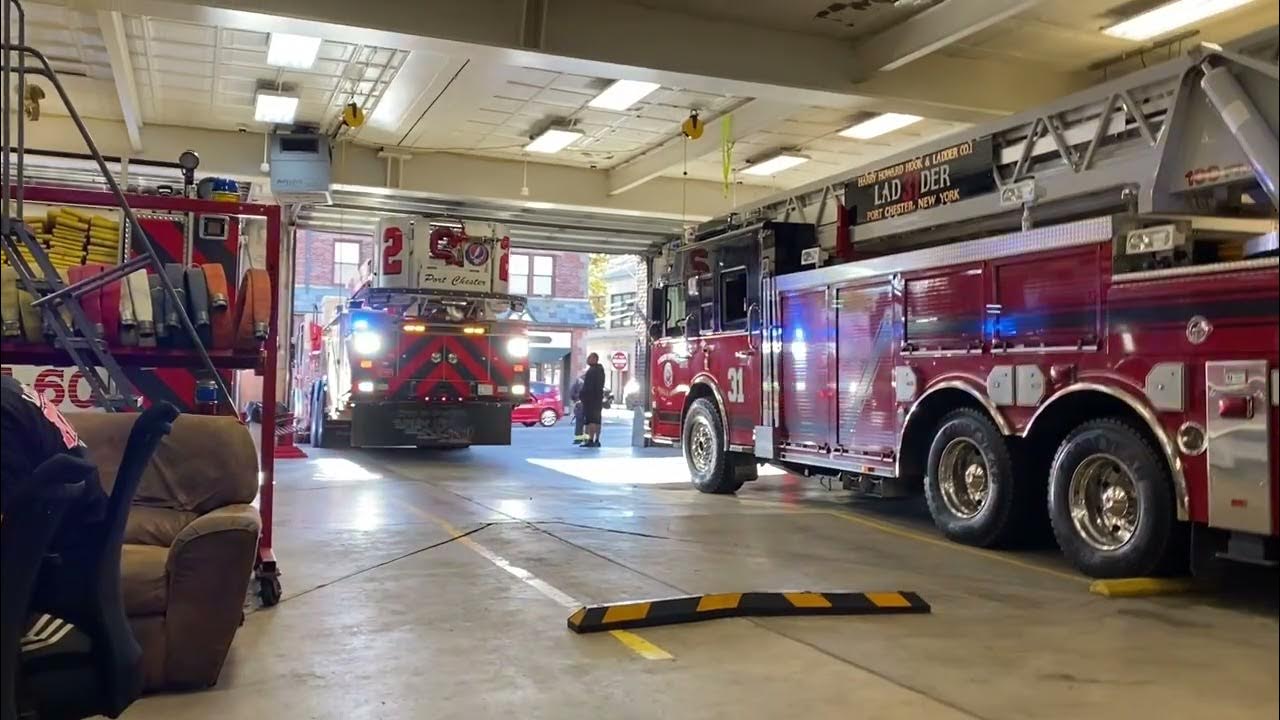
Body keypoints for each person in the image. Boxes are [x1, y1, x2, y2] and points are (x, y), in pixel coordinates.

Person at [0, 375, 105, 529]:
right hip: (81, 516)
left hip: (64, 534)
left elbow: (8, 508)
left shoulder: (4, 414)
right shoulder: (8, 390)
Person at [579, 353, 606, 448]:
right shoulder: (600, 370)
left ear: (595, 359)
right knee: (597, 420)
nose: (587, 359)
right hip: (597, 399)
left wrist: (583, 396)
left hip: (591, 400)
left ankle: (590, 440)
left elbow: (589, 387)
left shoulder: (593, 371)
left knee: (591, 421)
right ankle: (597, 440)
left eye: (589, 358)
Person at [569, 371, 587, 445]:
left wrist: (576, 400)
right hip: (589, 405)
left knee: (579, 423)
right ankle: (587, 439)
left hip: (579, 404)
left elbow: (571, 393)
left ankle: (578, 439)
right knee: (588, 423)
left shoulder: (578, 381)